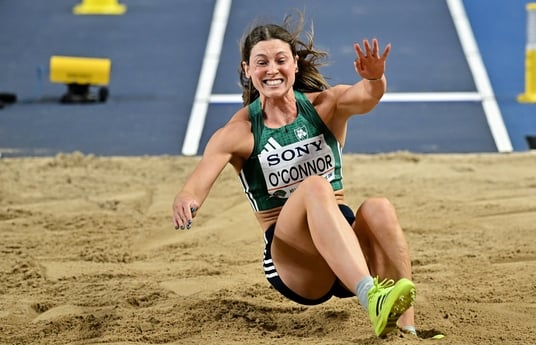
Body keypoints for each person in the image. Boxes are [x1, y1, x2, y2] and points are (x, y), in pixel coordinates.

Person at [172, 12, 417, 338]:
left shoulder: (325, 107)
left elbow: (366, 97)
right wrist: (187, 200)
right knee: (315, 186)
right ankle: (370, 295)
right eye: (261, 63)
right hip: (295, 261)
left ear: (295, 65)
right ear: (247, 70)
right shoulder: (239, 132)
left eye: (280, 60)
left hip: (345, 248)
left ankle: (405, 329)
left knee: (379, 207)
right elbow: (196, 184)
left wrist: (375, 79)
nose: (272, 70)